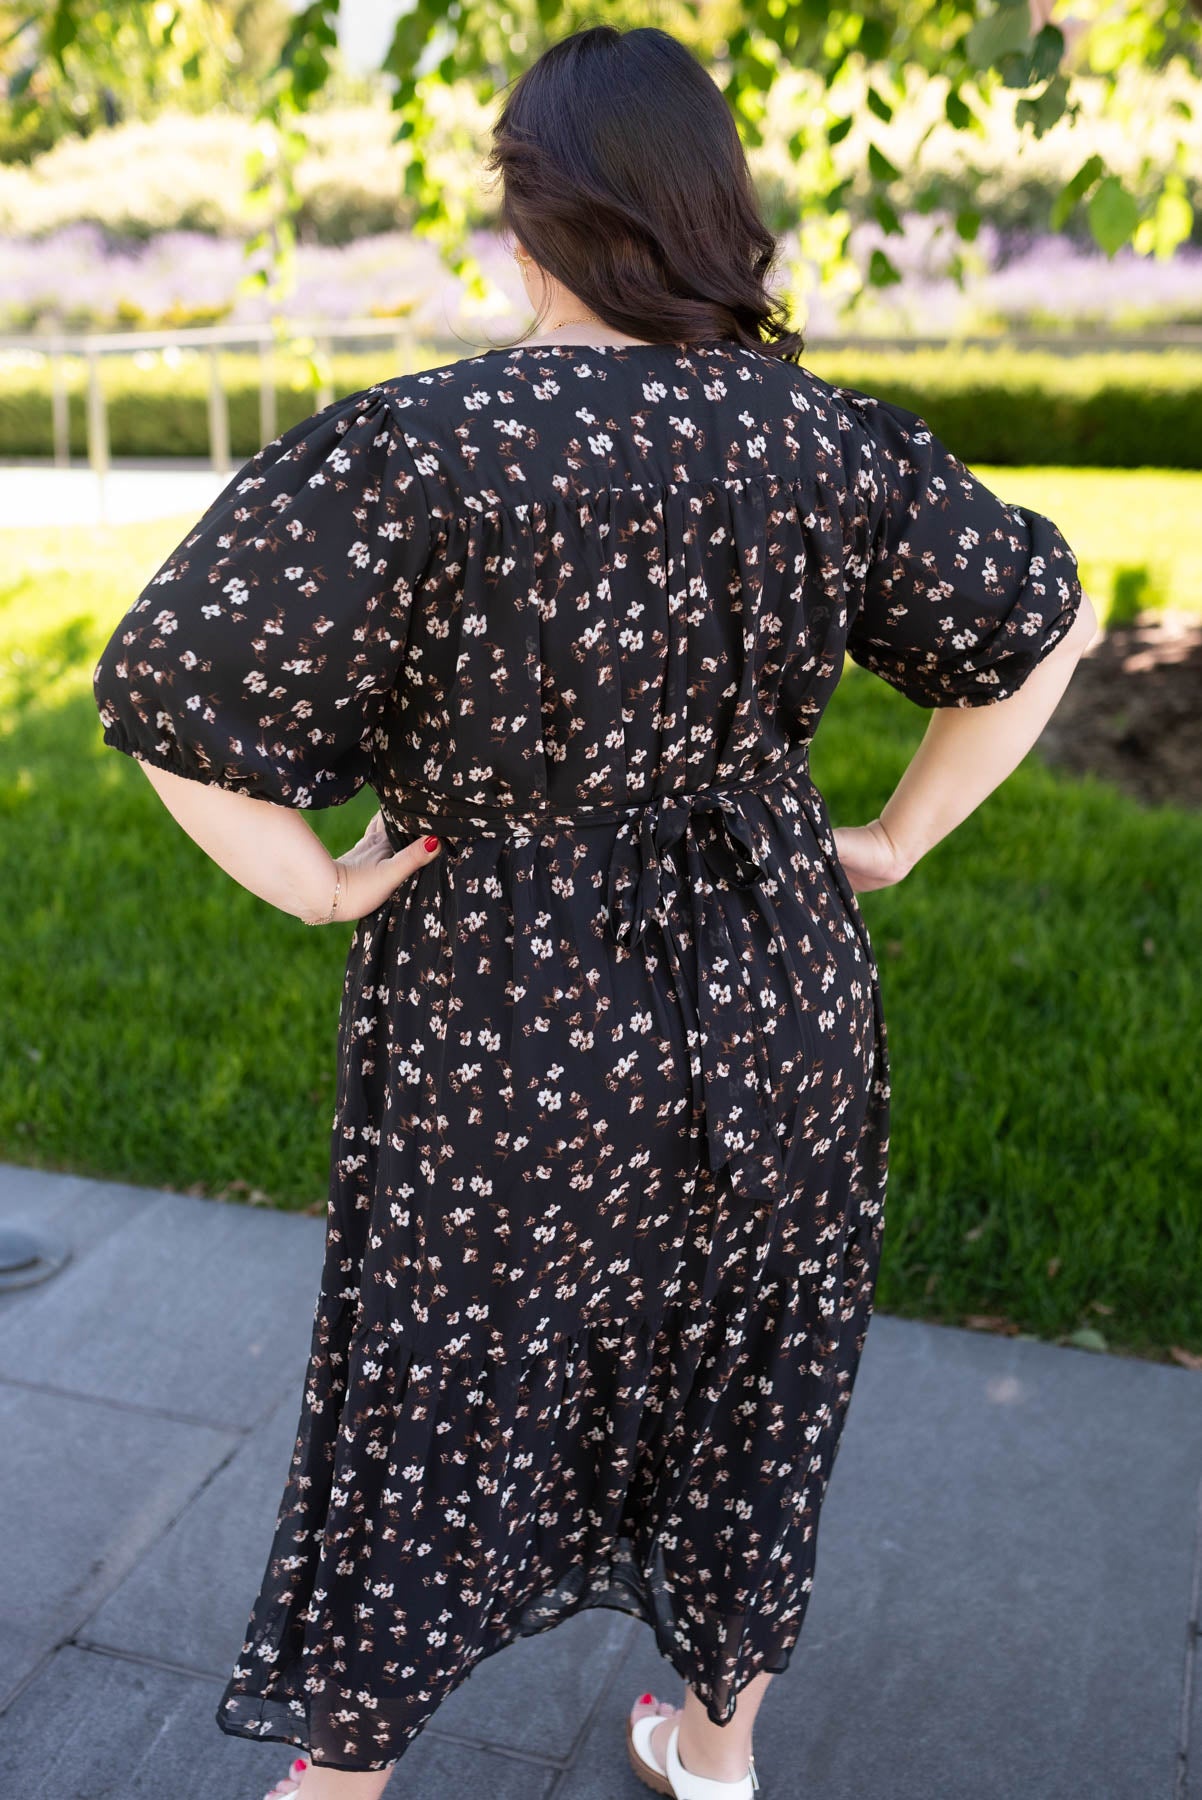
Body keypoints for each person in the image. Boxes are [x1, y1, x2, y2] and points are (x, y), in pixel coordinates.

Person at [90, 24, 1097, 1800]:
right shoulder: (825, 438)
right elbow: (1039, 627)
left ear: (526, 215)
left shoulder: (418, 448)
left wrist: (313, 881)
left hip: (503, 1000)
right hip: (771, 985)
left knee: (444, 1375)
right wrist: (897, 837)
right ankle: (715, 1755)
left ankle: (340, 1783)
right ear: (711, 210)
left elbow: (171, 685)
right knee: (750, 1359)